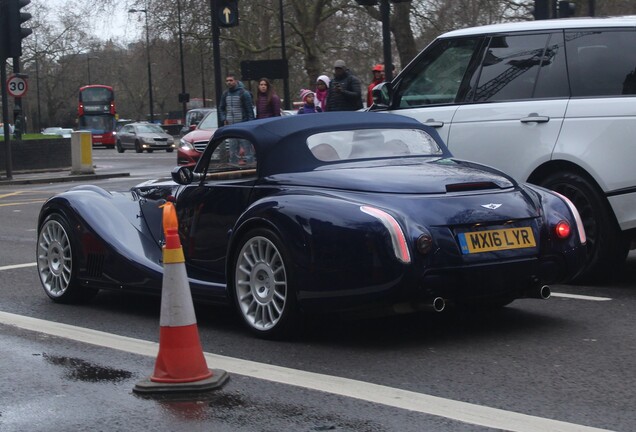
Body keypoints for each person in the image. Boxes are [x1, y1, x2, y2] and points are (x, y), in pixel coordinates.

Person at [219, 73, 255, 163]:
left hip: (243, 126)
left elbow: (249, 111)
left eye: (231, 80)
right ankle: (233, 170)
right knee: (233, 151)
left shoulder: (244, 93)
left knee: (248, 150)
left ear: (235, 81)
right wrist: (224, 118)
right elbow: (221, 108)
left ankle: (250, 169)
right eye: (227, 81)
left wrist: (250, 124)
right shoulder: (225, 94)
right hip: (231, 126)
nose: (229, 82)